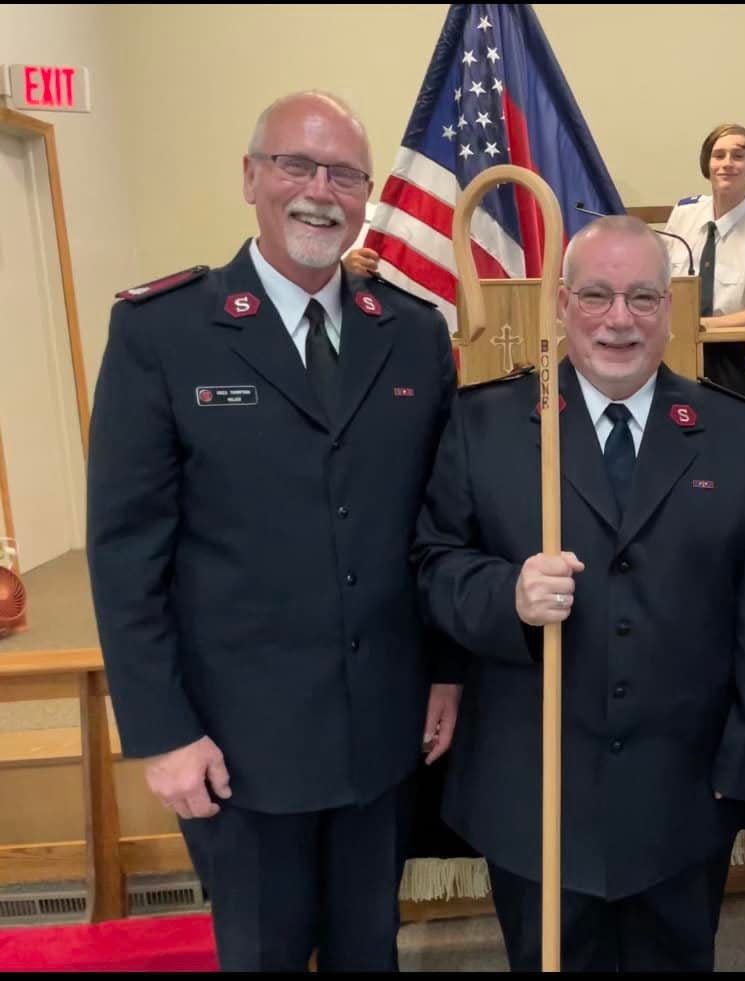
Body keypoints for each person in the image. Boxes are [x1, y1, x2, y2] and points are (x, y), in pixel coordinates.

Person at [86, 90, 460, 972]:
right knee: (262, 953)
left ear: (367, 195)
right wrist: (161, 730)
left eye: (343, 173)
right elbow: (125, 549)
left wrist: (446, 669)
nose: (319, 190)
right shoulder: (165, 332)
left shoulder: (409, 335)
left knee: (373, 948)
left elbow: (439, 523)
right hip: (237, 745)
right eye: (297, 164)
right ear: (251, 176)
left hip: (382, 728)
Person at [411, 215, 745, 971]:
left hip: (682, 802)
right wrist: (505, 594)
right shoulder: (485, 425)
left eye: (643, 297)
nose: (620, 318)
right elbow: (432, 567)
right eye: (597, 295)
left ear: (669, 310)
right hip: (536, 797)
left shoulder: (734, 434)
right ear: (560, 303)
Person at [661, 123, 745, 399]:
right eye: (719, 156)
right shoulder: (684, 212)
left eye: (738, 156)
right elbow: (658, 280)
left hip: (726, 361)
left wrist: (697, 325)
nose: (727, 164)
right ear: (707, 164)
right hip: (670, 354)